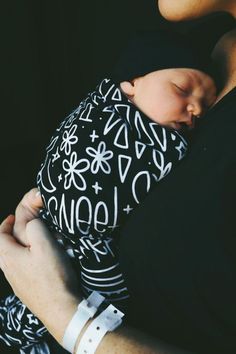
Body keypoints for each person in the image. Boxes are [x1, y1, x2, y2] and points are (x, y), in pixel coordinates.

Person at [0, 1, 235, 353]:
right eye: (183, 90)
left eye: (203, 102)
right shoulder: (201, 46)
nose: (195, 110)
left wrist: (60, 312)